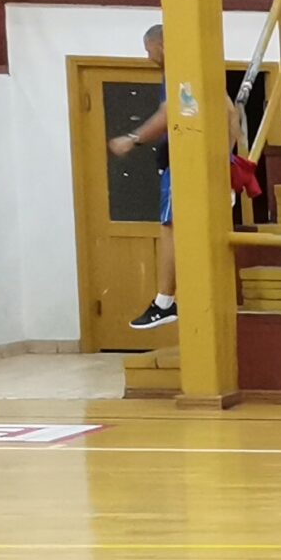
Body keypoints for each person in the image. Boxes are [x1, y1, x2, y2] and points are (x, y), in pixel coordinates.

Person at [108, 23, 176, 331]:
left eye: (149, 50)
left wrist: (132, 138)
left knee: (170, 230)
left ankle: (165, 302)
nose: (149, 57)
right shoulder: (193, 73)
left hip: (181, 166)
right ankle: (168, 300)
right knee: (173, 229)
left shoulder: (180, 72)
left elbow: (168, 114)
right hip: (188, 165)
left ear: (161, 45)